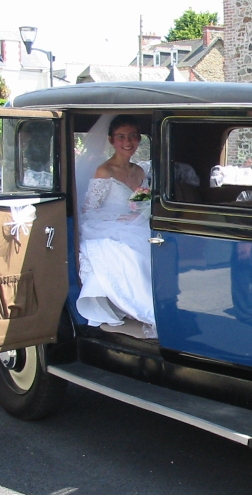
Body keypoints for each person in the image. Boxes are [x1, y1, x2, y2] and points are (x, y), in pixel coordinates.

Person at [75, 114, 156, 336]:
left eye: (132, 136)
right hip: (109, 227)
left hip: (138, 223)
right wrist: (119, 219)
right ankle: (141, 308)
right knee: (130, 254)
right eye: (121, 137)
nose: (127, 142)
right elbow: (89, 210)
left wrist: (142, 205)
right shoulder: (105, 171)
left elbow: (139, 203)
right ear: (111, 140)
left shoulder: (139, 171)